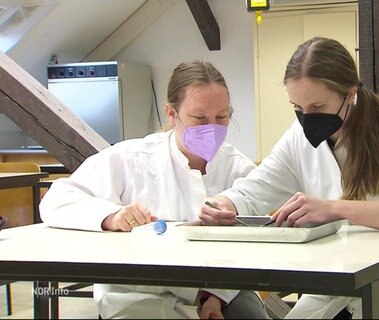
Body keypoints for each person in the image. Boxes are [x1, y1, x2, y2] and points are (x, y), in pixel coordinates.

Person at [201, 37, 379, 319]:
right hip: (333, 286)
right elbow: (256, 188)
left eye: (317, 107)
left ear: (350, 93)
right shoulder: (297, 138)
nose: (306, 118)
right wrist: (224, 203)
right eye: (298, 108)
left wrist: (334, 209)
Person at [39, 60, 269, 319]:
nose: (212, 128)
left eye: (222, 117)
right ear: (171, 114)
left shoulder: (239, 170)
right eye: (199, 118)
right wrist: (111, 217)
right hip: (136, 295)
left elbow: (251, 248)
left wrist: (215, 295)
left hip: (218, 289)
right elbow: (56, 200)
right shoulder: (131, 158)